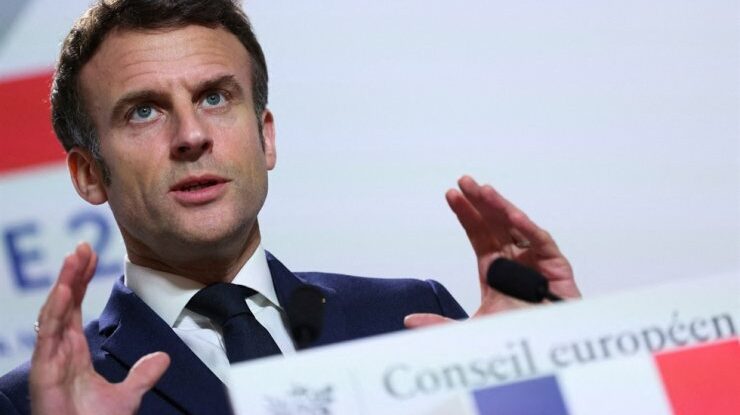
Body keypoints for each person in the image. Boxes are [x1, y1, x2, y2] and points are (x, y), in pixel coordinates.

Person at [0, 0, 580, 414]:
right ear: (88, 173)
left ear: (266, 137)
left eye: (215, 97)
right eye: (144, 111)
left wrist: (556, 370)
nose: (192, 136)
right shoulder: (38, 400)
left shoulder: (410, 319)